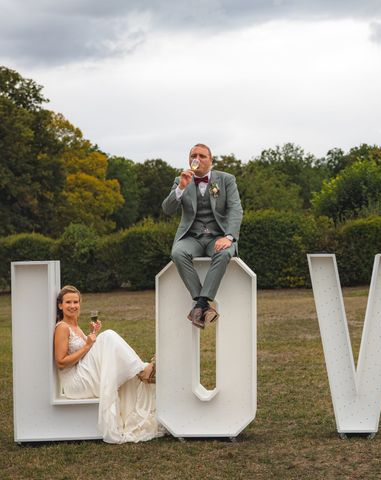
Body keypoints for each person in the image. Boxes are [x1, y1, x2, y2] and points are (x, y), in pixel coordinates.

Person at [53, 285, 164, 444]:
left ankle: (141, 370)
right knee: (108, 337)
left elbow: (87, 354)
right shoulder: (62, 327)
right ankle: (143, 370)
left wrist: (92, 335)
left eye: (76, 302)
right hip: (75, 384)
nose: (72, 306)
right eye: (68, 302)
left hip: (83, 375)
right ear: (60, 305)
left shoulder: (75, 327)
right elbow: (61, 362)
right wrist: (87, 345)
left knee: (109, 345)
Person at [162, 143, 243, 328]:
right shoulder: (180, 180)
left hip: (218, 236)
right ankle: (203, 304)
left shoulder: (226, 179)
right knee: (177, 253)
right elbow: (167, 209)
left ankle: (199, 304)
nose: (196, 159)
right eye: (193, 155)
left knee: (224, 253)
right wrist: (180, 188)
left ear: (211, 160)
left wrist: (229, 236)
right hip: (192, 237)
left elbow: (235, 210)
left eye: (202, 156)